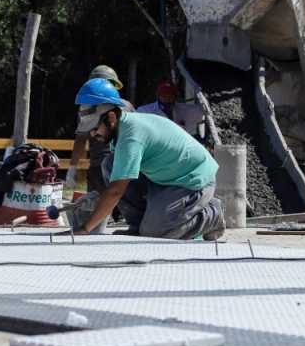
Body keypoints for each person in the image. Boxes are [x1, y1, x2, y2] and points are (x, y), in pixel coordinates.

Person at [71, 85, 225, 240]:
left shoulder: (131, 136)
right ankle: (138, 226)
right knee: (111, 164)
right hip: (165, 177)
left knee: (157, 234)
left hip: (191, 179)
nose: (92, 134)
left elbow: (116, 191)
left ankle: (212, 214)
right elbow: (118, 182)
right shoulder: (121, 130)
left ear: (111, 117)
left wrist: (85, 229)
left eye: (95, 127)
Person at [66, 65, 135, 196]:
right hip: (122, 167)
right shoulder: (127, 106)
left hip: (102, 166)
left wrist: (72, 168)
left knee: (96, 209)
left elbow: (81, 140)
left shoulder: (86, 108)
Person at [137, 79, 205, 138]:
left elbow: (202, 109)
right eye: (164, 96)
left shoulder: (183, 109)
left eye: (170, 96)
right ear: (158, 96)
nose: (167, 98)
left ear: (175, 97)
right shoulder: (145, 111)